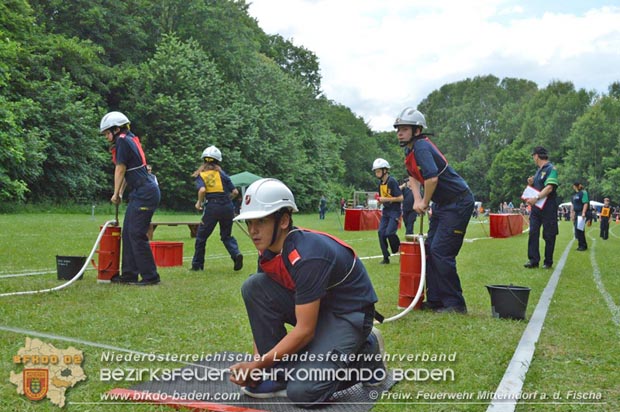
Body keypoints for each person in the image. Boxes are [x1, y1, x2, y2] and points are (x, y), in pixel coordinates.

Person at [228, 178, 385, 406]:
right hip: (318, 309)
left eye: (261, 221)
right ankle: (282, 373)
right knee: (254, 286)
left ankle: (366, 356)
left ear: (283, 220)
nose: (253, 231)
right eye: (249, 223)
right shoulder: (268, 253)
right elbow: (261, 311)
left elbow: (304, 331)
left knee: (304, 391)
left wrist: (257, 366)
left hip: (348, 315)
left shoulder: (307, 255)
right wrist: (259, 364)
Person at [394, 107, 473, 313]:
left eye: (404, 129)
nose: (399, 133)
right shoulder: (410, 150)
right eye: (398, 129)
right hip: (443, 204)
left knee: (441, 251)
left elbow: (432, 178)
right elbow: (413, 175)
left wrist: (425, 202)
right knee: (429, 249)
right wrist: (418, 199)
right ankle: (436, 300)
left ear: (417, 131)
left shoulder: (421, 147)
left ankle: (455, 304)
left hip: (458, 202)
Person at [100, 111, 161, 285]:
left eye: (107, 133)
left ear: (116, 129)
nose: (106, 137)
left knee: (136, 234)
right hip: (140, 191)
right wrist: (120, 192)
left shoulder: (122, 141)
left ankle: (150, 277)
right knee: (127, 233)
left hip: (145, 192)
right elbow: (128, 171)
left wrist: (114, 192)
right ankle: (129, 274)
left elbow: (120, 169)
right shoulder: (129, 138)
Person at [190, 145, 243, 272]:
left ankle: (197, 265)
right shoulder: (222, 174)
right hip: (227, 207)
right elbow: (235, 192)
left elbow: (202, 190)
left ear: (204, 160)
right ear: (218, 161)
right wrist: (227, 201)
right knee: (226, 236)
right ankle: (236, 254)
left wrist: (199, 202)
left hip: (212, 207)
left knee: (201, 237)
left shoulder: (201, 175)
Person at [523, 146, 559, 269]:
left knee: (549, 235)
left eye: (533, 156)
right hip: (536, 208)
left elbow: (549, 188)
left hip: (548, 207)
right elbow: (539, 185)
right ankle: (533, 260)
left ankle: (548, 261)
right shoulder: (538, 171)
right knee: (533, 232)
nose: (533, 158)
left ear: (537, 156)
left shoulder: (551, 169)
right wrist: (531, 183)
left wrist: (536, 198)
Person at [372, 158, 403, 264]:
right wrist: (380, 201)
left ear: (385, 170)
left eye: (378, 171)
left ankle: (399, 248)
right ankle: (386, 257)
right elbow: (382, 197)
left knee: (390, 233)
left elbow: (400, 198)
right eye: (375, 171)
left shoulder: (392, 181)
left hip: (394, 211)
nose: (376, 173)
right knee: (381, 232)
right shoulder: (380, 183)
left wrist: (386, 199)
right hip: (386, 211)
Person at [571, 182, 590, 251]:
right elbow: (573, 205)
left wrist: (583, 212)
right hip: (576, 213)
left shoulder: (583, 193)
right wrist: (572, 214)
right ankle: (580, 245)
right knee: (577, 229)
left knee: (580, 229)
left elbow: (585, 203)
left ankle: (583, 246)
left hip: (581, 213)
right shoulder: (574, 195)